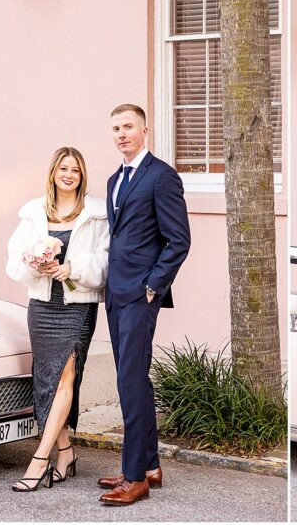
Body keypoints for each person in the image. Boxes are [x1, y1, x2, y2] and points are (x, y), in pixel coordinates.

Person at [97, 104, 190, 506]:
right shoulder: (115, 178)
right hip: (115, 295)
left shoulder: (161, 176)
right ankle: (148, 463)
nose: (121, 134)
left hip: (139, 295)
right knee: (133, 379)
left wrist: (153, 286)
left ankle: (135, 478)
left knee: (130, 383)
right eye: (116, 128)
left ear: (145, 130)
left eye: (129, 126)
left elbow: (179, 240)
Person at [5, 147, 108, 492]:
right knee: (46, 379)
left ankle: (39, 459)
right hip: (43, 307)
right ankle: (65, 451)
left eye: (75, 170)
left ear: (82, 176)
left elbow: (106, 261)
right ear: (53, 172)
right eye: (63, 168)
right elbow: (14, 259)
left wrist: (71, 268)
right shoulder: (34, 212)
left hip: (77, 306)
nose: (69, 175)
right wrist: (35, 264)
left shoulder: (95, 215)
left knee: (66, 377)